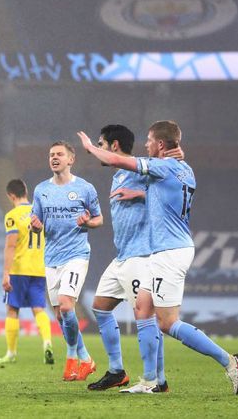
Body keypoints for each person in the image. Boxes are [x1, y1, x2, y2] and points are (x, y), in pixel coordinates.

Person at [77, 121, 238, 395]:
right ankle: (150, 380)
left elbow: (117, 159)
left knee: (167, 323)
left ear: (159, 144)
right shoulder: (183, 169)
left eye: (149, 140)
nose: (146, 144)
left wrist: (89, 148)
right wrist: (140, 192)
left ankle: (229, 362)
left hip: (170, 252)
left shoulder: (164, 167)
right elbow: (167, 189)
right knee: (144, 309)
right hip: (168, 250)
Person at [87, 125, 168, 392]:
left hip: (141, 255)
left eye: (101, 143)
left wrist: (140, 194)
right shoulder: (119, 175)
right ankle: (116, 370)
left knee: (144, 316)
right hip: (122, 257)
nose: (98, 148)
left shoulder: (140, 168)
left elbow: (168, 192)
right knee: (100, 307)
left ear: (114, 145)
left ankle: (155, 380)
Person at [30, 141, 103, 382]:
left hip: (76, 255)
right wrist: (34, 224)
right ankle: (86, 359)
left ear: (71, 159)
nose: (54, 157)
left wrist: (87, 222)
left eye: (59, 154)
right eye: (51, 154)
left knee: (66, 305)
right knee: (61, 317)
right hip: (51, 258)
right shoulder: (41, 189)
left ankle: (72, 357)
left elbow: (99, 219)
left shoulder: (85, 188)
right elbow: (35, 219)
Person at [0, 179, 53, 366]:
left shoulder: (12, 216)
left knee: (12, 309)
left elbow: (11, 245)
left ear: (10, 196)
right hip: (39, 268)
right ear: (26, 191)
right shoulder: (39, 214)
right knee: (39, 309)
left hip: (19, 268)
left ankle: (11, 353)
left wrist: (6, 273)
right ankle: (47, 343)